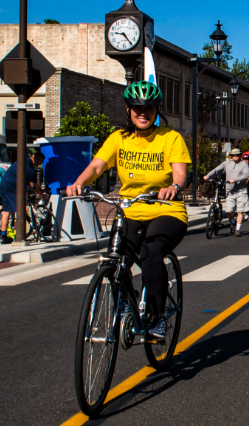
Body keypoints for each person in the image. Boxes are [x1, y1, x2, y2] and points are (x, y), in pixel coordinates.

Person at [67, 81, 189, 339]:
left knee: (150, 251)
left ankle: (156, 317)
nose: (142, 113)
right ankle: (126, 298)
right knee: (117, 256)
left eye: (148, 108)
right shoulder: (118, 139)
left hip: (166, 210)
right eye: (137, 108)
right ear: (128, 110)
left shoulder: (170, 138)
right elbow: (97, 166)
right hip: (130, 210)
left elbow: (180, 175)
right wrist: (79, 182)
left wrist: (174, 188)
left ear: (157, 110)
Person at [0, 152, 46, 244]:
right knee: (20, 211)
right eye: (40, 161)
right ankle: (19, 235)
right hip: (12, 188)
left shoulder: (20, 162)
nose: (40, 164)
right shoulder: (29, 168)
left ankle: (3, 236)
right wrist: (42, 195)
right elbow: (33, 185)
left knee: (6, 211)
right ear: (36, 159)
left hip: (3, 185)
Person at [204, 148, 249, 236]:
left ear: (240, 155)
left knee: (240, 211)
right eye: (234, 155)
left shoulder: (244, 164)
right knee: (229, 211)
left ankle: (237, 230)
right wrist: (208, 176)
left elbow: (246, 175)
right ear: (231, 156)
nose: (235, 157)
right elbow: (217, 170)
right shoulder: (227, 163)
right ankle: (232, 221)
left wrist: (236, 180)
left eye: (237, 155)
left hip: (241, 190)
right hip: (230, 191)